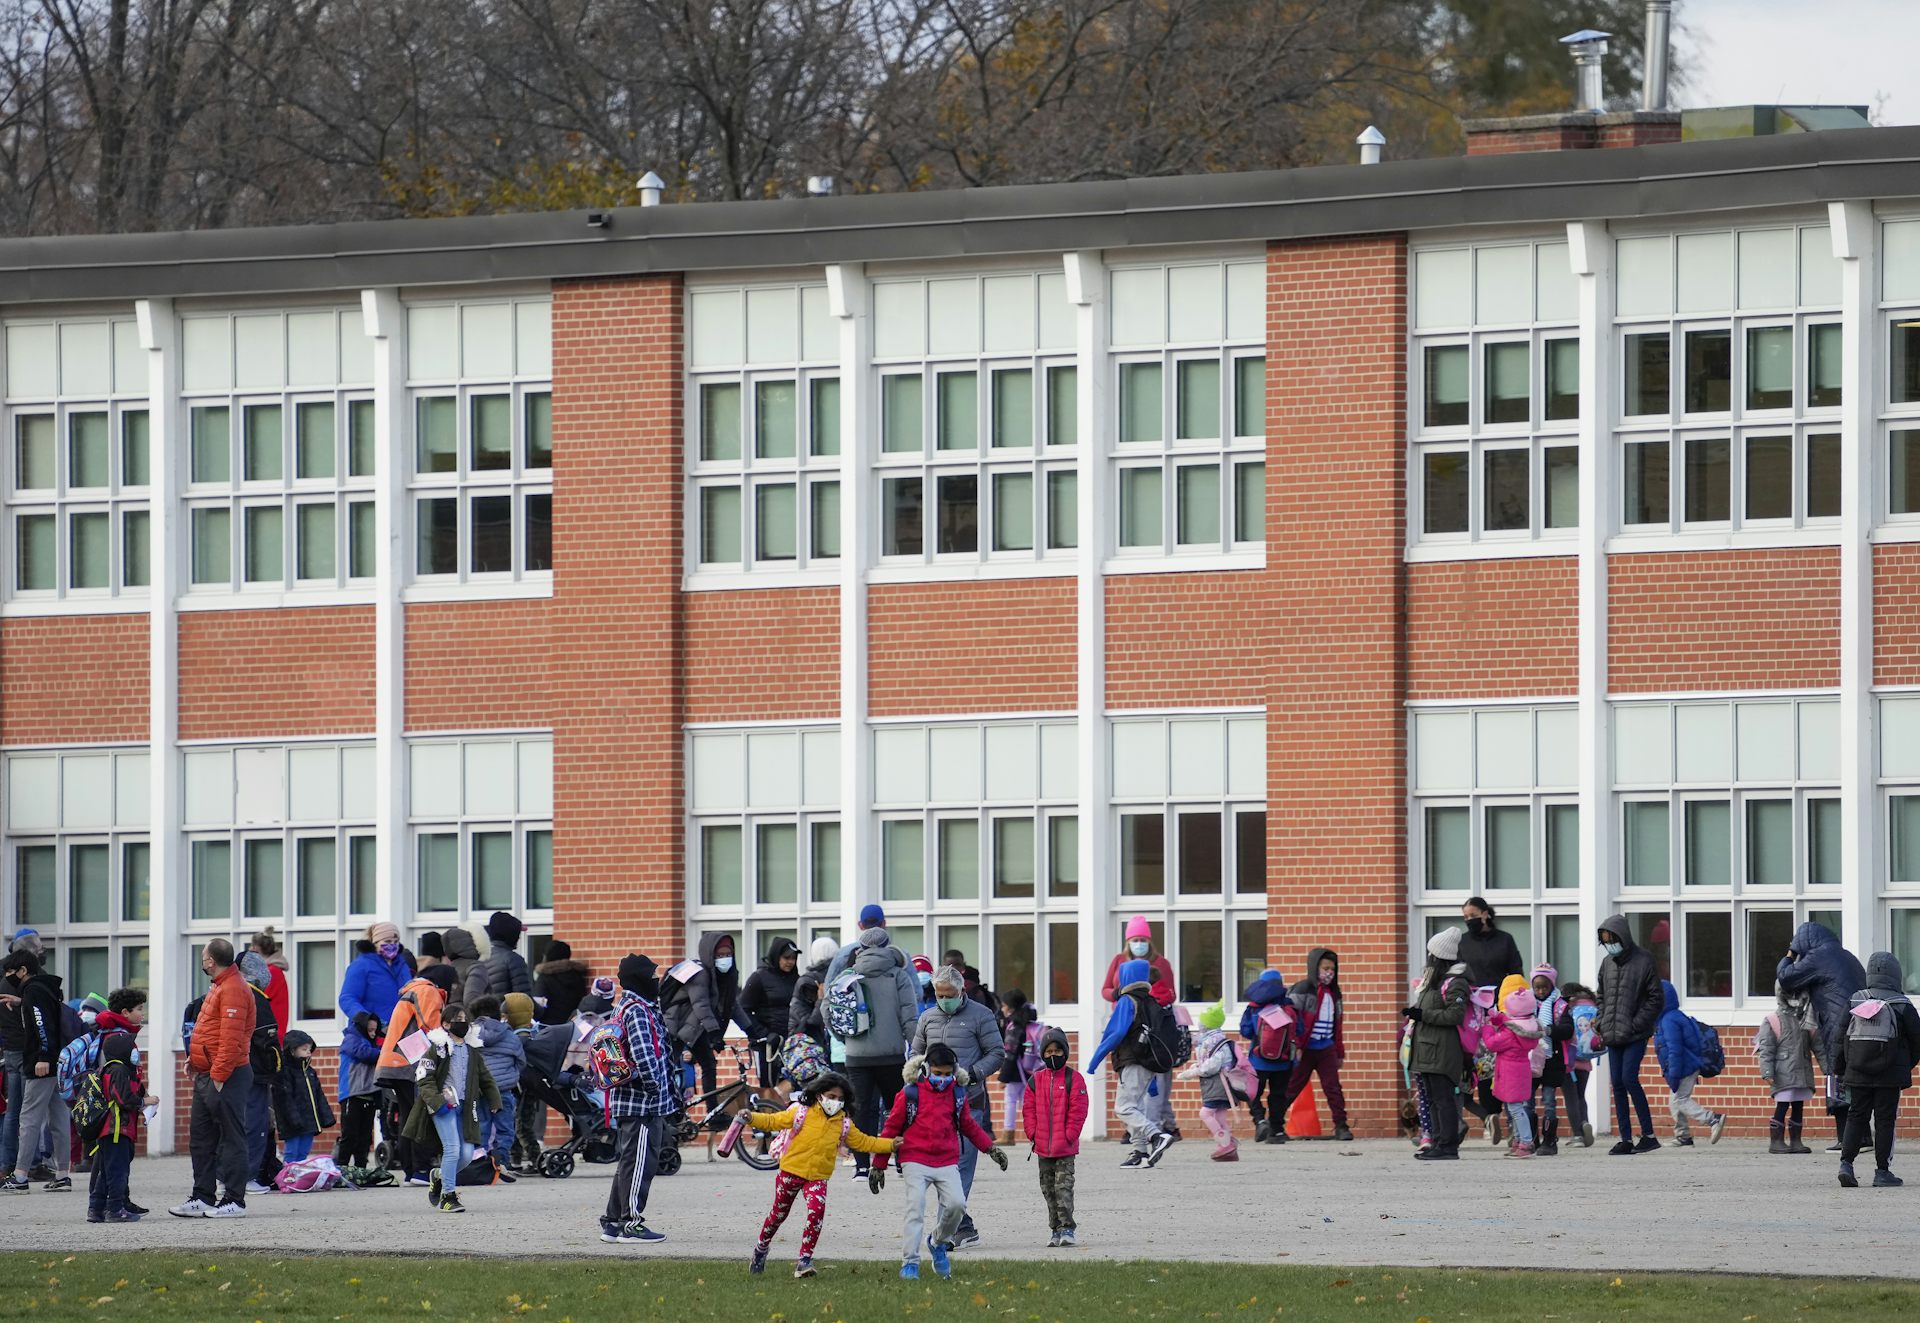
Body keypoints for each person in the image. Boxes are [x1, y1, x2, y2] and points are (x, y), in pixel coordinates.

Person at [871, 1044, 1008, 1281]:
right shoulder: (910, 1094)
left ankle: (938, 1242)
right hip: (914, 1158)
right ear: (926, 1069)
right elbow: (891, 1128)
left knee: (957, 1205)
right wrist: (879, 1165)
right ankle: (910, 1262)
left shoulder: (957, 1094)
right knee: (915, 1208)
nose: (942, 1078)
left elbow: (968, 1125)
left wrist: (990, 1148)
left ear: (954, 1071)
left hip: (946, 1160)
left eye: (947, 1074)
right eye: (937, 1073)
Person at [743, 1069, 899, 1278]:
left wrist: (891, 1144)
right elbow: (773, 1121)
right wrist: (751, 1117)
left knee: (816, 1212)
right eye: (831, 1097)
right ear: (819, 1095)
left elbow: (864, 1142)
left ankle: (804, 1260)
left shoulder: (843, 1122)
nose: (835, 1102)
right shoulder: (801, 1111)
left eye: (840, 1099)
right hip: (790, 1172)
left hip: (817, 1177)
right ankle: (761, 1248)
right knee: (778, 1215)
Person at [909, 966, 1005, 1249]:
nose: (944, 1000)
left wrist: (973, 1073)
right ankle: (963, 1225)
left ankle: (944, 1235)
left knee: (959, 1167)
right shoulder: (927, 1018)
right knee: (940, 1168)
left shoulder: (981, 1016)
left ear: (961, 991)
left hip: (968, 1104)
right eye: (939, 995)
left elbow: (997, 1053)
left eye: (949, 995)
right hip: (934, 1106)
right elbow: (915, 1052)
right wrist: (920, 1072)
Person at [823, 907, 920, 1181]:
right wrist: (915, 1049)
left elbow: (827, 1010)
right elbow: (909, 1017)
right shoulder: (899, 974)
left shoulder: (847, 973)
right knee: (898, 1109)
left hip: (857, 1055)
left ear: (861, 942)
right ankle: (901, 1162)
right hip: (891, 1054)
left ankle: (862, 1167)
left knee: (861, 1110)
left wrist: (845, 1038)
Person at [171, 939, 255, 1217]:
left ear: (210, 962)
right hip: (208, 1073)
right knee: (201, 1138)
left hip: (226, 1075)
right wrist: (194, 1061)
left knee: (231, 1138)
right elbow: (210, 1031)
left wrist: (219, 1073)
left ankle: (234, 1200)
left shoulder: (232, 988)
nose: (202, 961)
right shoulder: (220, 986)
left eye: (204, 957)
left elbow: (231, 1039)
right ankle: (203, 1196)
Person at [600, 954, 676, 1245]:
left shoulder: (624, 1006)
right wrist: (657, 1090)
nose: (656, 980)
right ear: (639, 979)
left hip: (629, 1100)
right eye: (652, 976)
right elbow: (645, 1055)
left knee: (630, 1162)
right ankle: (631, 1223)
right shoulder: (639, 1010)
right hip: (643, 1102)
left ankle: (612, 1222)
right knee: (641, 1163)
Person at [1776, 921, 1870, 1151]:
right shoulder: (1846, 956)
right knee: (1857, 1079)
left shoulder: (1818, 957)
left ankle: (1845, 1138)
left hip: (1837, 1026)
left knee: (1836, 1078)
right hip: (1861, 1024)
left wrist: (1790, 954)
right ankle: (1865, 1138)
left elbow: (1786, 978)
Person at [403, 1001, 500, 1213]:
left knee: (466, 1155)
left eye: (465, 1021)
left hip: (465, 1108)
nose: (463, 1025)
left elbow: (485, 1078)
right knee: (452, 1149)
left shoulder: (472, 1051)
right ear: (446, 1024)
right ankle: (448, 1195)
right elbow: (424, 1079)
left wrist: (494, 1100)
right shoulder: (436, 1049)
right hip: (443, 1107)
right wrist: (438, 1102)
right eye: (458, 1021)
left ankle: (438, 1176)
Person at [1834, 951, 1920, 1188]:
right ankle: (1882, 1172)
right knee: (1885, 1120)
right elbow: (1917, 1042)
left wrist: (1841, 1069)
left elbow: (1839, 1037)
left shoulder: (1856, 1000)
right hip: (1890, 1075)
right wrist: (1905, 1066)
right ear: (1896, 974)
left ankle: (1846, 1165)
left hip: (1857, 1071)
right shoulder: (1902, 1004)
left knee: (1856, 1115)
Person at [1087, 957, 1174, 1170]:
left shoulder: (1128, 1000)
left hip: (1131, 1060)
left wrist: (1095, 1059)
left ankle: (1157, 1136)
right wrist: (1152, 1086)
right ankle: (1140, 1153)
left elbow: (1115, 1032)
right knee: (1137, 1106)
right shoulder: (1150, 1001)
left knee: (1123, 1107)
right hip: (1146, 1063)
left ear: (1126, 977)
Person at [376, 961, 453, 1186]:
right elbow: (431, 1026)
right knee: (421, 1115)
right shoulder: (427, 991)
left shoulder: (411, 992)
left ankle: (411, 1170)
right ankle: (421, 1168)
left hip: (395, 1061)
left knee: (408, 1117)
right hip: (412, 1063)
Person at [1101, 917, 1179, 1138]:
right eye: (1135, 939)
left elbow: (1170, 993)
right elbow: (1105, 989)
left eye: (1143, 939)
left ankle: (1149, 1128)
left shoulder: (1161, 963)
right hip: (1125, 1021)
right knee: (1129, 1075)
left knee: (1150, 1078)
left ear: (1149, 940)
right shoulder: (1119, 961)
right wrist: (1117, 993)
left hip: (1150, 1024)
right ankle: (1136, 1130)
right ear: (1128, 941)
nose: (1139, 943)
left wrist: (1150, 999)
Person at [662, 931, 757, 1112]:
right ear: (710, 955)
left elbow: (732, 1006)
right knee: (668, 1068)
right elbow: (701, 1005)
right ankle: (667, 1109)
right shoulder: (700, 975)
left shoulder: (727, 977)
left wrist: (751, 1030)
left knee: (709, 1065)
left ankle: (713, 1112)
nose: (725, 959)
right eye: (720, 955)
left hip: (694, 1029)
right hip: (676, 1027)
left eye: (728, 955)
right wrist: (714, 1033)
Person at [1, 950, 70, 1193]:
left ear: (23, 970)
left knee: (28, 1118)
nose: (9, 976)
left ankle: (19, 1176)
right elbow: (46, 1015)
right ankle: (63, 1174)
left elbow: (42, 1024)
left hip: (41, 1064)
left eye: (11, 971)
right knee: (59, 1117)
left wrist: (42, 1056)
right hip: (56, 1063)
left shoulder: (33, 991)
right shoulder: (44, 989)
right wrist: (22, 1003)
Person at [1595, 914, 1662, 1156]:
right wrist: (1601, 1020)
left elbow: (1656, 998)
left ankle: (1649, 1135)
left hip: (1634, 1033)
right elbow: (1601, 995)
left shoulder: (1644, 960)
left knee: (1629, 1078)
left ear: (1621, 936)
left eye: (1611, 939)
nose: (1609, 944)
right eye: (1604, 941)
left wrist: (1636, 1024)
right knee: (1618, 1084)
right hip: (1612, 1033)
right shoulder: (1607, 963)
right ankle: (1625, 1138)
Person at [1405, 927, 1471, 1161]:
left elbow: (1455, 1015)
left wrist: (1424, 1015)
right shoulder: (1434, 981)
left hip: (1443, 1050)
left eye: (1432, 954)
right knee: (1432, 1098)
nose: (1428, 958)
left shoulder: (1456, 983)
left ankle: (1448, 1146)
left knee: (1444, 1100)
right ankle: (1437, 1141)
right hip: (1426, 1048)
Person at [1021, 1026, 1086, 1247]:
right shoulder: (1035, 1081)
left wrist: (1070, 1135)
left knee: (1063, 1189)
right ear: (1042, 1054)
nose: (1053, 1055)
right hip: (1042, 1148)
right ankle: (1055, 1229)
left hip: (1065, 1148)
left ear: (1065, 1053)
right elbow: (1028, 1111)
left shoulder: (1073, 1079)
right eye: (1048, 1052)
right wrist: (1032, 1133)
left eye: (1057, 1051)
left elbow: (1078, 1110)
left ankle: (1068, 1228)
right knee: (1048, 1190)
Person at [1285, 947, 1351, 1142]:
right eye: (1325, 968)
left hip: (1326, 1048)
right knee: (1292, 1085)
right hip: (1305, 1048)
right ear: (1315, 968)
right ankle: (1275, 1123)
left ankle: (1341, 1125)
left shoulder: (1335, 994)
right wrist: (1295, 1047)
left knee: (1333, 1087)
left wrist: (1339, 1052)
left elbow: (1337, 1025)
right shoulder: (1302, 989)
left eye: (1332, 969)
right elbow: (1292, 1019)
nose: (1329, 972)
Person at [84, 1026, 149, 1223]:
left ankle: (96, 1209)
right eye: (132, 1048)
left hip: (109, 1131)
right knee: (118, 1172)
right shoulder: (118, 1070)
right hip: (116, 1130)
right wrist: (145, 1103)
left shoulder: (110, 1069)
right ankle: (115, 1208)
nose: (135, 1052)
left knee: (105, 1172)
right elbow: (122, 1098)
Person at [1651, 979, 1725, 1147]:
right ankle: (1683, 1135)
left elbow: (1675, 1050)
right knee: (1675, 1100)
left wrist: (1674, 1073)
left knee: (1680, 1100)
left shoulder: (1669, 1021)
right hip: (1685, 1065)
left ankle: (1713, 1119)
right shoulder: (1671, 1017)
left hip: (1684, 1067)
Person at [1482, 975, 1542, 1158]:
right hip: (1520, 1071)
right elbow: (1509, 1021)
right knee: (1516, 1107)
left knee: (1516, 1109)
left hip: (1510, 1074)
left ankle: (1525, 1142)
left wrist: (1487, 1027)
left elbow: (1492, 1043)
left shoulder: (1510, 1033)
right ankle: (1518, 1140)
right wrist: (1498, 1019)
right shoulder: (1527, 1027)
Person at [238, 951, 283, 1191]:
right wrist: (276, 1067)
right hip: (255, 1072)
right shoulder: (256, 998)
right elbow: (267, 1039)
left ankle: (232, 1177)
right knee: (255, 1124)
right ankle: (248, 1177)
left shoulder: (225, 994)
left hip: (234, 1070)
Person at [1755, 982, 1817, 1155]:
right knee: (1782, 1106)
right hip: (1783, 1073)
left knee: (1798, 1106)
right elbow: (1766, 1049)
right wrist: (1767, 1072)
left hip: (1802, 1071)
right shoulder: (1772, 1020)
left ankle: (1796, 1141)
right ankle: (1776, 1141)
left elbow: (1817, 1045)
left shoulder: (1806, 1018)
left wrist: (1829, 1067)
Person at [468, 994, 525, 1178]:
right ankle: (502, 1160)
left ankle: (483, 1161)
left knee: (482, 1124)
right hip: (503, 1089)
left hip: (480, 1089)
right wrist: (511, 1076)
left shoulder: (469, 1035)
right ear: (499, 1014)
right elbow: (521, 1061)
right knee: (505, 1126)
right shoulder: (509, 1035)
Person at [1178, 1003, 1242, 1161]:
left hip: (1219, 1085)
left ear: (1208, 1024)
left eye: (1202, 1022)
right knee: (1219, 1115)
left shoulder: (1214, 1042)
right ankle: (1226, 1145)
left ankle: (1225, 1143)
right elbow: (1206, 1061)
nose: (1199, 1024)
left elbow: (1211, 1066)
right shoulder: (1210, 1040)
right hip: (1218, 1085)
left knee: (1205, 1113)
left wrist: (1192, 1072)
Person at [1239, 967, 1295, 1143]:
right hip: (1284, 1061)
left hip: (1258, 1060)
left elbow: (1246, 1030)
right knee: (1278, 1095)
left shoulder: (1254, 1007)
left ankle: (1260, 1120)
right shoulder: (1288, 1006)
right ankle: (1276, 1131)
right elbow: (1298, 1031)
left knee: (1252, 1092)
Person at [1527, 965, 1578, 1156]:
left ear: (1552, 985)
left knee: (1549, 1101)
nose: (1540, 991)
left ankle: (1549, 1141)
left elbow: (1567, 1030)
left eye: (1544, 987)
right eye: (1537, 987)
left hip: (1551, 1060)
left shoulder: (1560, 1006)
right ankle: (1531, 1139)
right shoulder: (1526, 1003)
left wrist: (1548, 1030)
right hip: (1530, 1060)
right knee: (1527, 1102)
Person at [740, 938, 802, 1089]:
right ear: (776, 956)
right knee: (769, 1088)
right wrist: (763, 1034)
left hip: (792, 1042)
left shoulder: (796, 979)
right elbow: (742, 1009)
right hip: (768, 1045)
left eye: (793, 958)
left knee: (794, 1087)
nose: (790, 962)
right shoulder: (759, 977)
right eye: (786, 958)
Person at [273, 1030, 335, 1164]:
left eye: (309, 1049)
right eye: (304, 1049)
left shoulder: (310, 1072)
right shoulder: (286, 1072)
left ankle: (299, 1175)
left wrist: (326, 1117)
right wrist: (293, 1119)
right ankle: (288, 1176)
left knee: (303, 1152)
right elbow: (285, 1099)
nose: (308, 1052)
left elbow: (319, 1096)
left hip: (309, 1121)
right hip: (292, 1123)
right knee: (292, 1152)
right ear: (292, 1051)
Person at [339, 922, 415, 1030]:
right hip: (371, 1033)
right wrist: (366, 1019)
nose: (392, 945)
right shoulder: (361, 965)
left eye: (396, 942)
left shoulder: (402, 966)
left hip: (401, 1029)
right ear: (374, 943)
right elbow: (347, 998)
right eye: (387, 941)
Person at [336, 1012, 384, 1174]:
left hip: (368, 1093)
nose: (372, 1033)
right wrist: (385, 1051)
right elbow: (364, 1054)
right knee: (350, 1134)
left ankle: (360, 1168)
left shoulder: (371, 1043)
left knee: (364, 1136)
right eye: (370, 1030)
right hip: (352, 1093)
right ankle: (342, 1167)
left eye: (374, 1031)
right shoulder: (351, 1039)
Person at [1560, 980, 1601, 1147]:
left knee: (1570, 1097)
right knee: (1580, 1096)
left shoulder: (1568, 1006)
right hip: (1586, 1058)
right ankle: (1584, 1122)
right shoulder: (1592, 1002)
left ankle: (1577, 1134)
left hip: (1568, 1059)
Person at [996, 989, 1040, 1146]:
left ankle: (1008, 1134)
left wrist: (1003, 1077)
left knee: (1011, 1101)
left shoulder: (1014, 1026)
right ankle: (1037, 1134)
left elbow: (1010, 1053)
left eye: (1004, 1006)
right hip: (1029, 1068)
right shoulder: (1028, 1022)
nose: (1002, 1009)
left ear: (1011, 1008)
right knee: (1028, 1103)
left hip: (1016, 1071)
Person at [788, 936, 840, 1052]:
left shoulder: (807, 980)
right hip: (830, 1043)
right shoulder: (839, 976)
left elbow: (810, 1022)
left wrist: (821, 1000)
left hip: (811, 1045)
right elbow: (812, 1021)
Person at [248, 930, 291, 1045]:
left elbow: (254, 1000)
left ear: (256, 948)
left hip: (269, 1036)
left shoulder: (270, 973)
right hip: (268, 1034)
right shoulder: (271, 971)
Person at [534, 940, 590, 1027]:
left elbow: (539, 1006)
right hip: (573, 1026)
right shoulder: (578, 977)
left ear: (548, 956)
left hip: (548, 1027)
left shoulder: (544, 977)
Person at [483, 911, 534, 998]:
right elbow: (523, 1000)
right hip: (505, 1011)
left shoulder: (478, 957)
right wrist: (541, 1009)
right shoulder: (514, 960)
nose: (519, 938)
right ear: (513, 936)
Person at [442, 921, 490, 1010]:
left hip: (446, 1020)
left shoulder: (446, 969)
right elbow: (471, 999)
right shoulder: (476, 967)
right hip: (468, 1020)